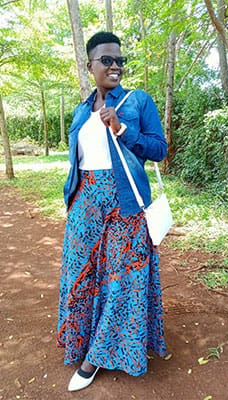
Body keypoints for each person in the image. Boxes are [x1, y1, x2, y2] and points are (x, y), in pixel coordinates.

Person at [58, 31, 168, 391]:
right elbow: (78, 159)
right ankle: (80, 341)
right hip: (85, 201)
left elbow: (159, 149)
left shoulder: (138, 102)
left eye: (120, 60)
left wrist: (121, 129)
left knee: (123, 280)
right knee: (81, 274)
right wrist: (71, 196)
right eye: (106, 60)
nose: (115, 66)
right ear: (90, 65)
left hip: (125, 202)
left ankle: (96, 358)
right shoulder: (79, 110)